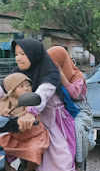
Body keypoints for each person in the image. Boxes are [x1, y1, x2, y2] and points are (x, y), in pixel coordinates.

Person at [0, 39, 76, 170]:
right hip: (22, 120)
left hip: (51, 121)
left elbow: (43, 93)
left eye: (23, 54)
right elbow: (4, 87)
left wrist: (30, 113)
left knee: (59, 161)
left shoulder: (51, 73)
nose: (18, 58)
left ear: (33, 54)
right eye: (16, 54)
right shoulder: (17, 72)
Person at [47, 46, 96, 167]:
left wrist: (62, 76)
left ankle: (78, 163)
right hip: (61, 110)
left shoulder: (77, 77)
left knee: (77, 128)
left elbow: (75, 95)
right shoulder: (49, 76)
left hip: (80, 110)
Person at [0, 73, 49, 171]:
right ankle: (8, 168)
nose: (26, 88)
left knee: (34, 150)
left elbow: (29, 112)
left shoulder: (30, 101)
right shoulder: (5, 101)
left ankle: (29, 169)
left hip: (34, 136)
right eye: (21, 86)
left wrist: (20, 116)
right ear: (12, 90)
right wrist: (5, 114)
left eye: (28, 85)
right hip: (15, 136)